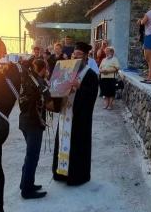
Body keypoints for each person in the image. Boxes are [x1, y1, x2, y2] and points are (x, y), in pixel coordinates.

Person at [52, 42, 99, 186]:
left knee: (77, 146)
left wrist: (80, 88)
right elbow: (58, 87)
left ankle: (77, 176)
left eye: (79, 54)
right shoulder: (67, 69)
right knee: (62, 142)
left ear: (85, 56)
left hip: (79, 117)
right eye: (75, 54)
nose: (76, 56)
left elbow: (92, 95)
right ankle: (60, 172)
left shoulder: (90, 74)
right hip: (66, 112)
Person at [19, 59, 49, 199]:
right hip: (35, 123)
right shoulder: (40, 83)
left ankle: (25, 183)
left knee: (29, 154)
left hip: (24, 121)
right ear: (43, 69)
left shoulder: (24, 81)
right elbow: (50, 106)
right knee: (32, 156)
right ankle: (27, 190)